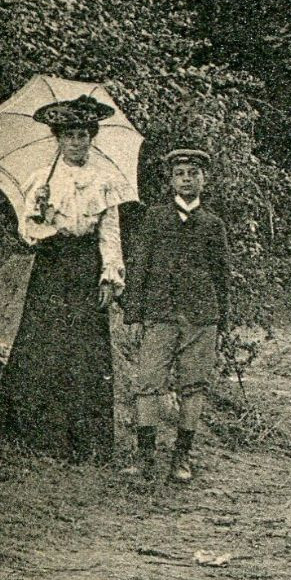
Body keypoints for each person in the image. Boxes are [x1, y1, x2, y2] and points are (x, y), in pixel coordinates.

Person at [0, 95, 127, 462]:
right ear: (58, 139)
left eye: (82, 135)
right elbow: (27, 233)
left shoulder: (104, 182)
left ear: (91, 138)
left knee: (84, 350)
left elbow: (109, 234)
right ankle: (40, 436)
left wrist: (108, 275)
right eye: (68, 136)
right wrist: (40, 214)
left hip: (85, 266)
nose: (76, 143)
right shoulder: (41, 179)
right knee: (45, 342)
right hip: (52, 265)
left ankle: (88, 443)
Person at [122, 147, 230, 484]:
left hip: (200, 316)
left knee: (193, 387)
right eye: (180, 173)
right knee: (147, 383)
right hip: (159, 312)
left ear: (204, 179)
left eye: (193, 173)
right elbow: (138, 266)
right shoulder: (153, 218)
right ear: (170, 180)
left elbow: (221, 274)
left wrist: (221, 320)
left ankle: (182, 456)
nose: (187, 179)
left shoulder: (213, 224)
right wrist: (134, 314)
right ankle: (145, 456)